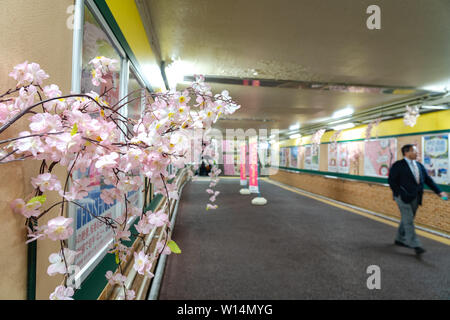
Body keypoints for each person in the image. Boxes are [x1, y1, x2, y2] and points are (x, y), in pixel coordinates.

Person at [388, 144, 448, 255]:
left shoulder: (419, 166)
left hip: (416, 197)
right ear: (407, 153)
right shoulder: (398, 165)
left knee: (408, 219)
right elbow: (391, 181)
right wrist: (399, 193)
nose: (417, 153)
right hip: (402, 197)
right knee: (409, 219)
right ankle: (415, 244)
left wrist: (439, 191)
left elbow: (428, 180)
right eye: (415, 151)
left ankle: (399, 239)